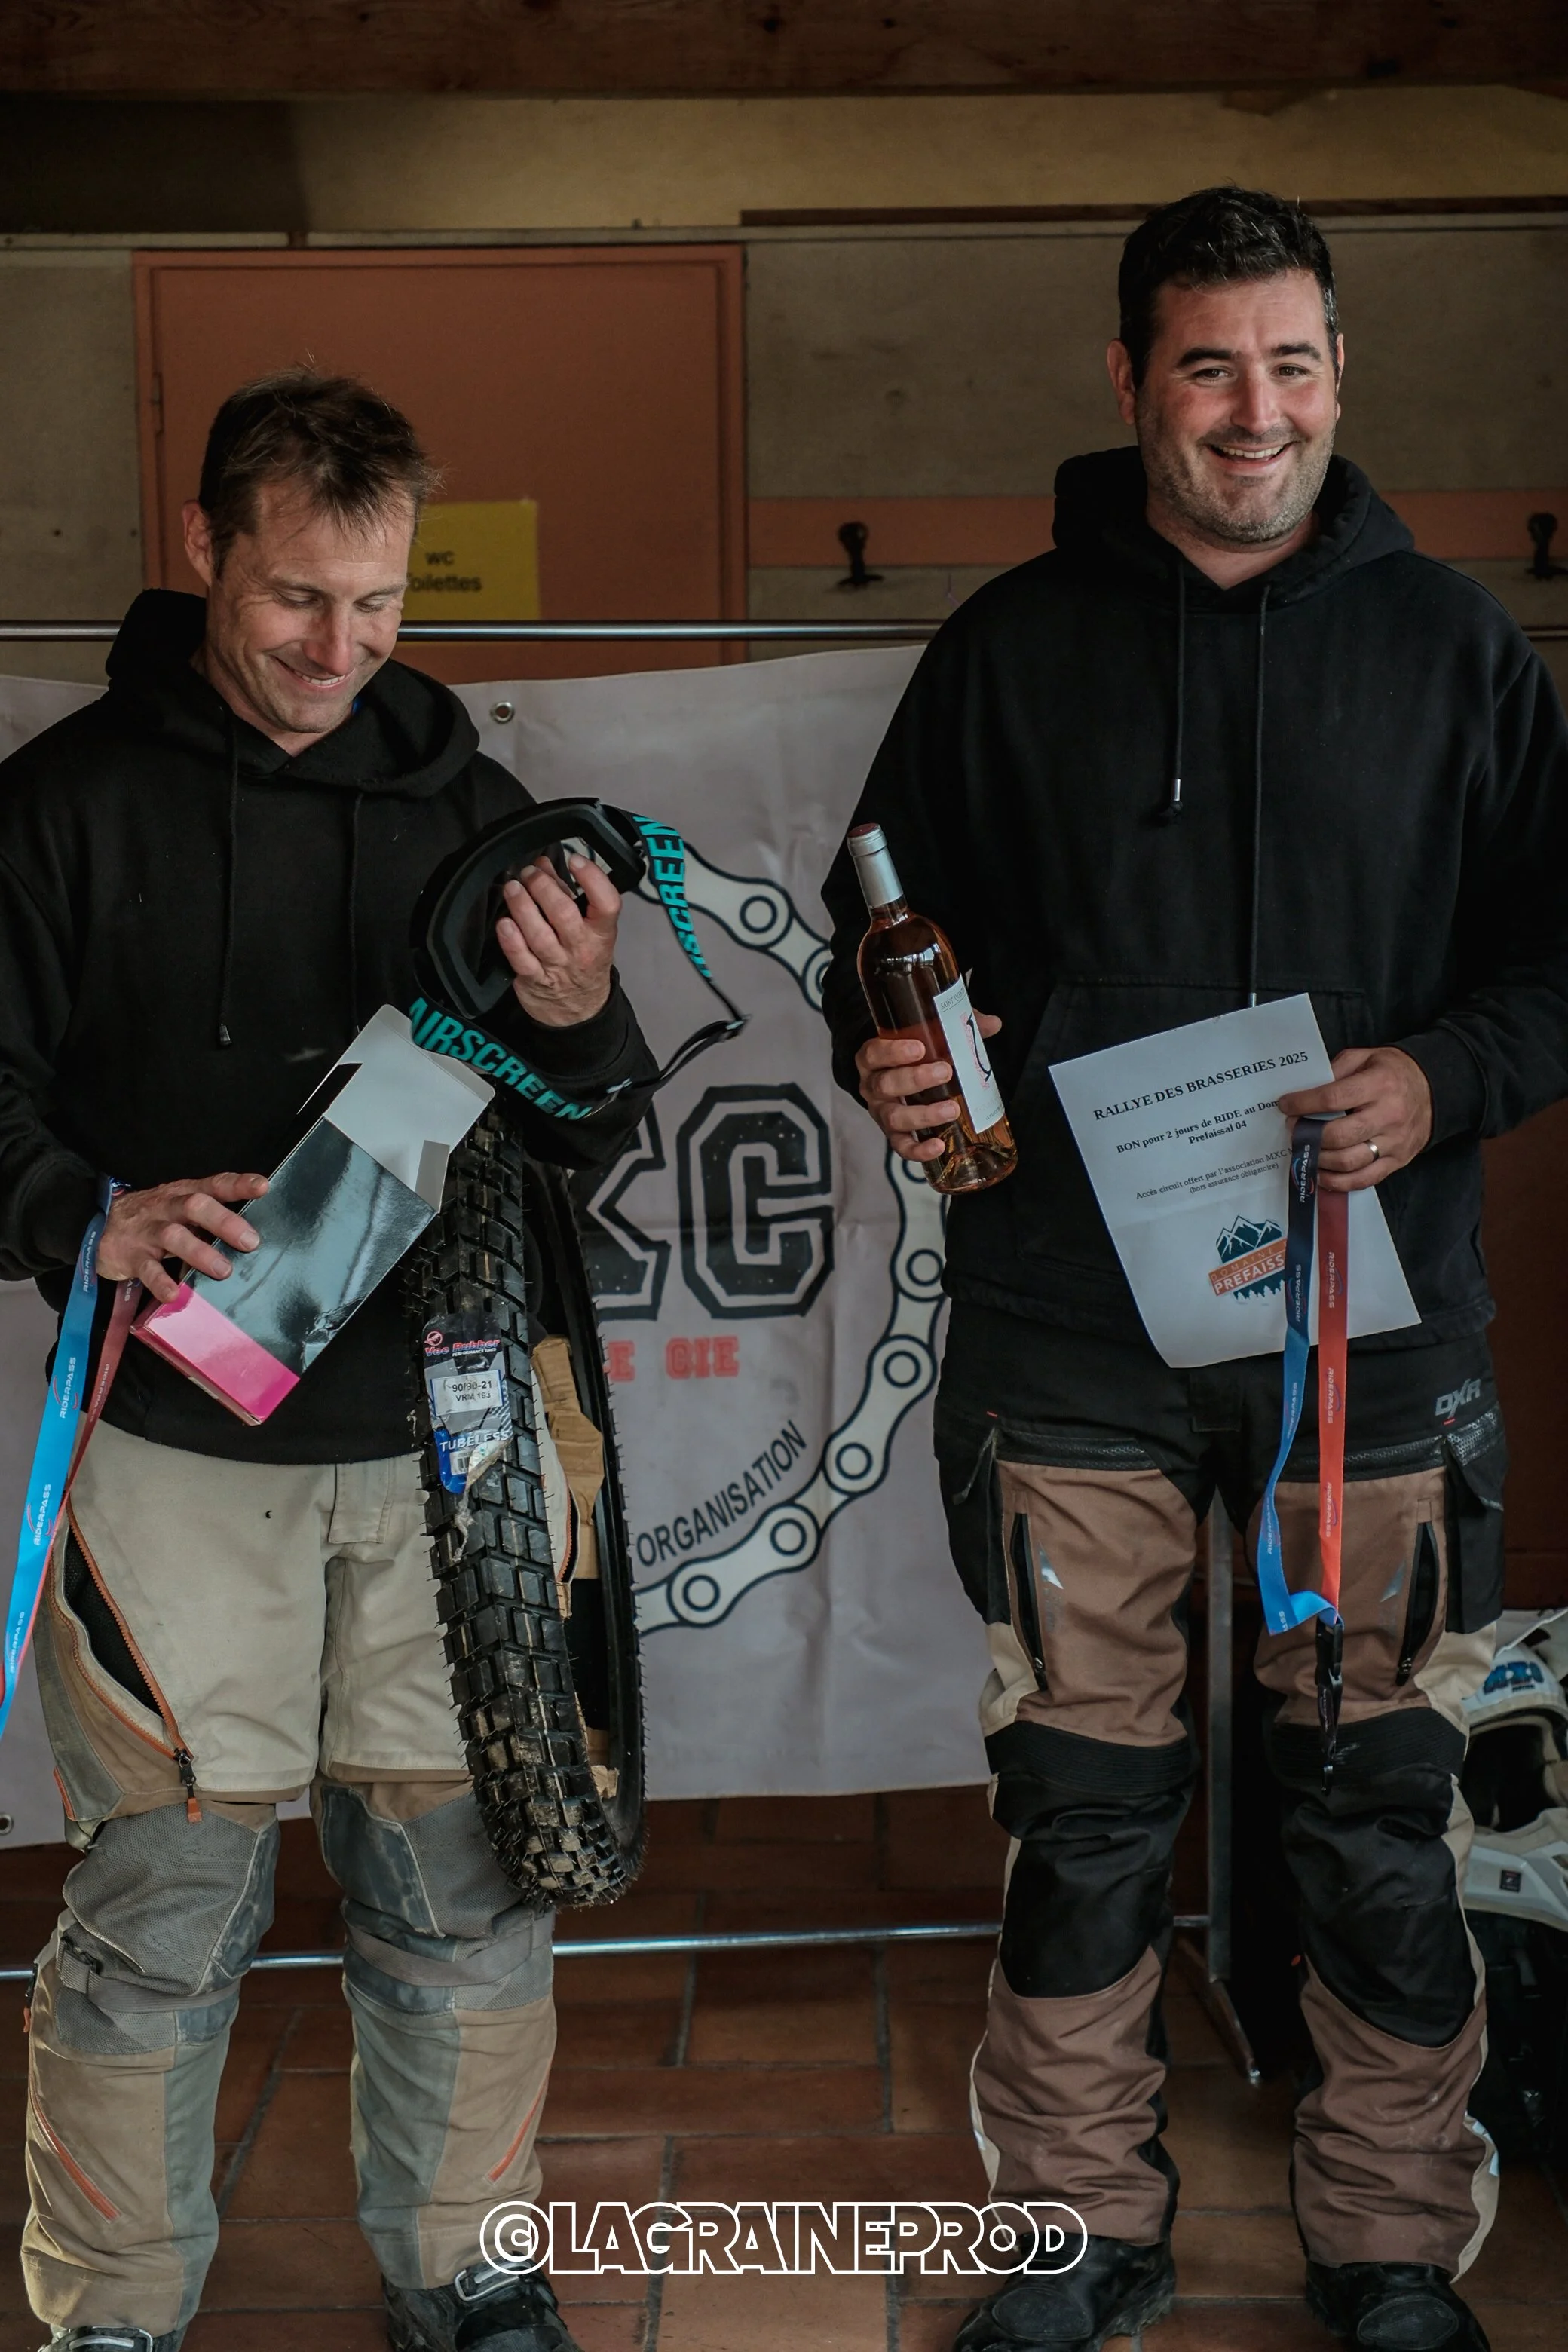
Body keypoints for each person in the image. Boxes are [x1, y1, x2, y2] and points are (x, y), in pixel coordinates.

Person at [821, 187, 1568, 2352]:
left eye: (1298, 361)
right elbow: (882, 961)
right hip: (1071, 1329)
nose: (1260, 410)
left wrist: (1440, 1075)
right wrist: (883, 1064)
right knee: (1081, 1808)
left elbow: (1554, 961)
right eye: (1213, 365)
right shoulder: (1005, 651)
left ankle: (1393, 2243)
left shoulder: (1453, 651)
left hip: (1373, 1327)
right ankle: (1072, 2235)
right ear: (1131, 380)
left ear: (1341, 370)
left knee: (1379, 1807)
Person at [0, 369, 655, 2352]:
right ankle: (110, 2312)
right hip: (173, 1450)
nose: (340, 647)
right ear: (204, 545)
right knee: (157, 1922)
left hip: (450, 1444)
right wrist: (77, 1216)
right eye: (299, 596)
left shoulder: (474, 810)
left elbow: (576, 1133)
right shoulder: (61, 808)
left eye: (377, 603)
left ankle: (466, 2273)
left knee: (459, 1897)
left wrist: (588, 1015)